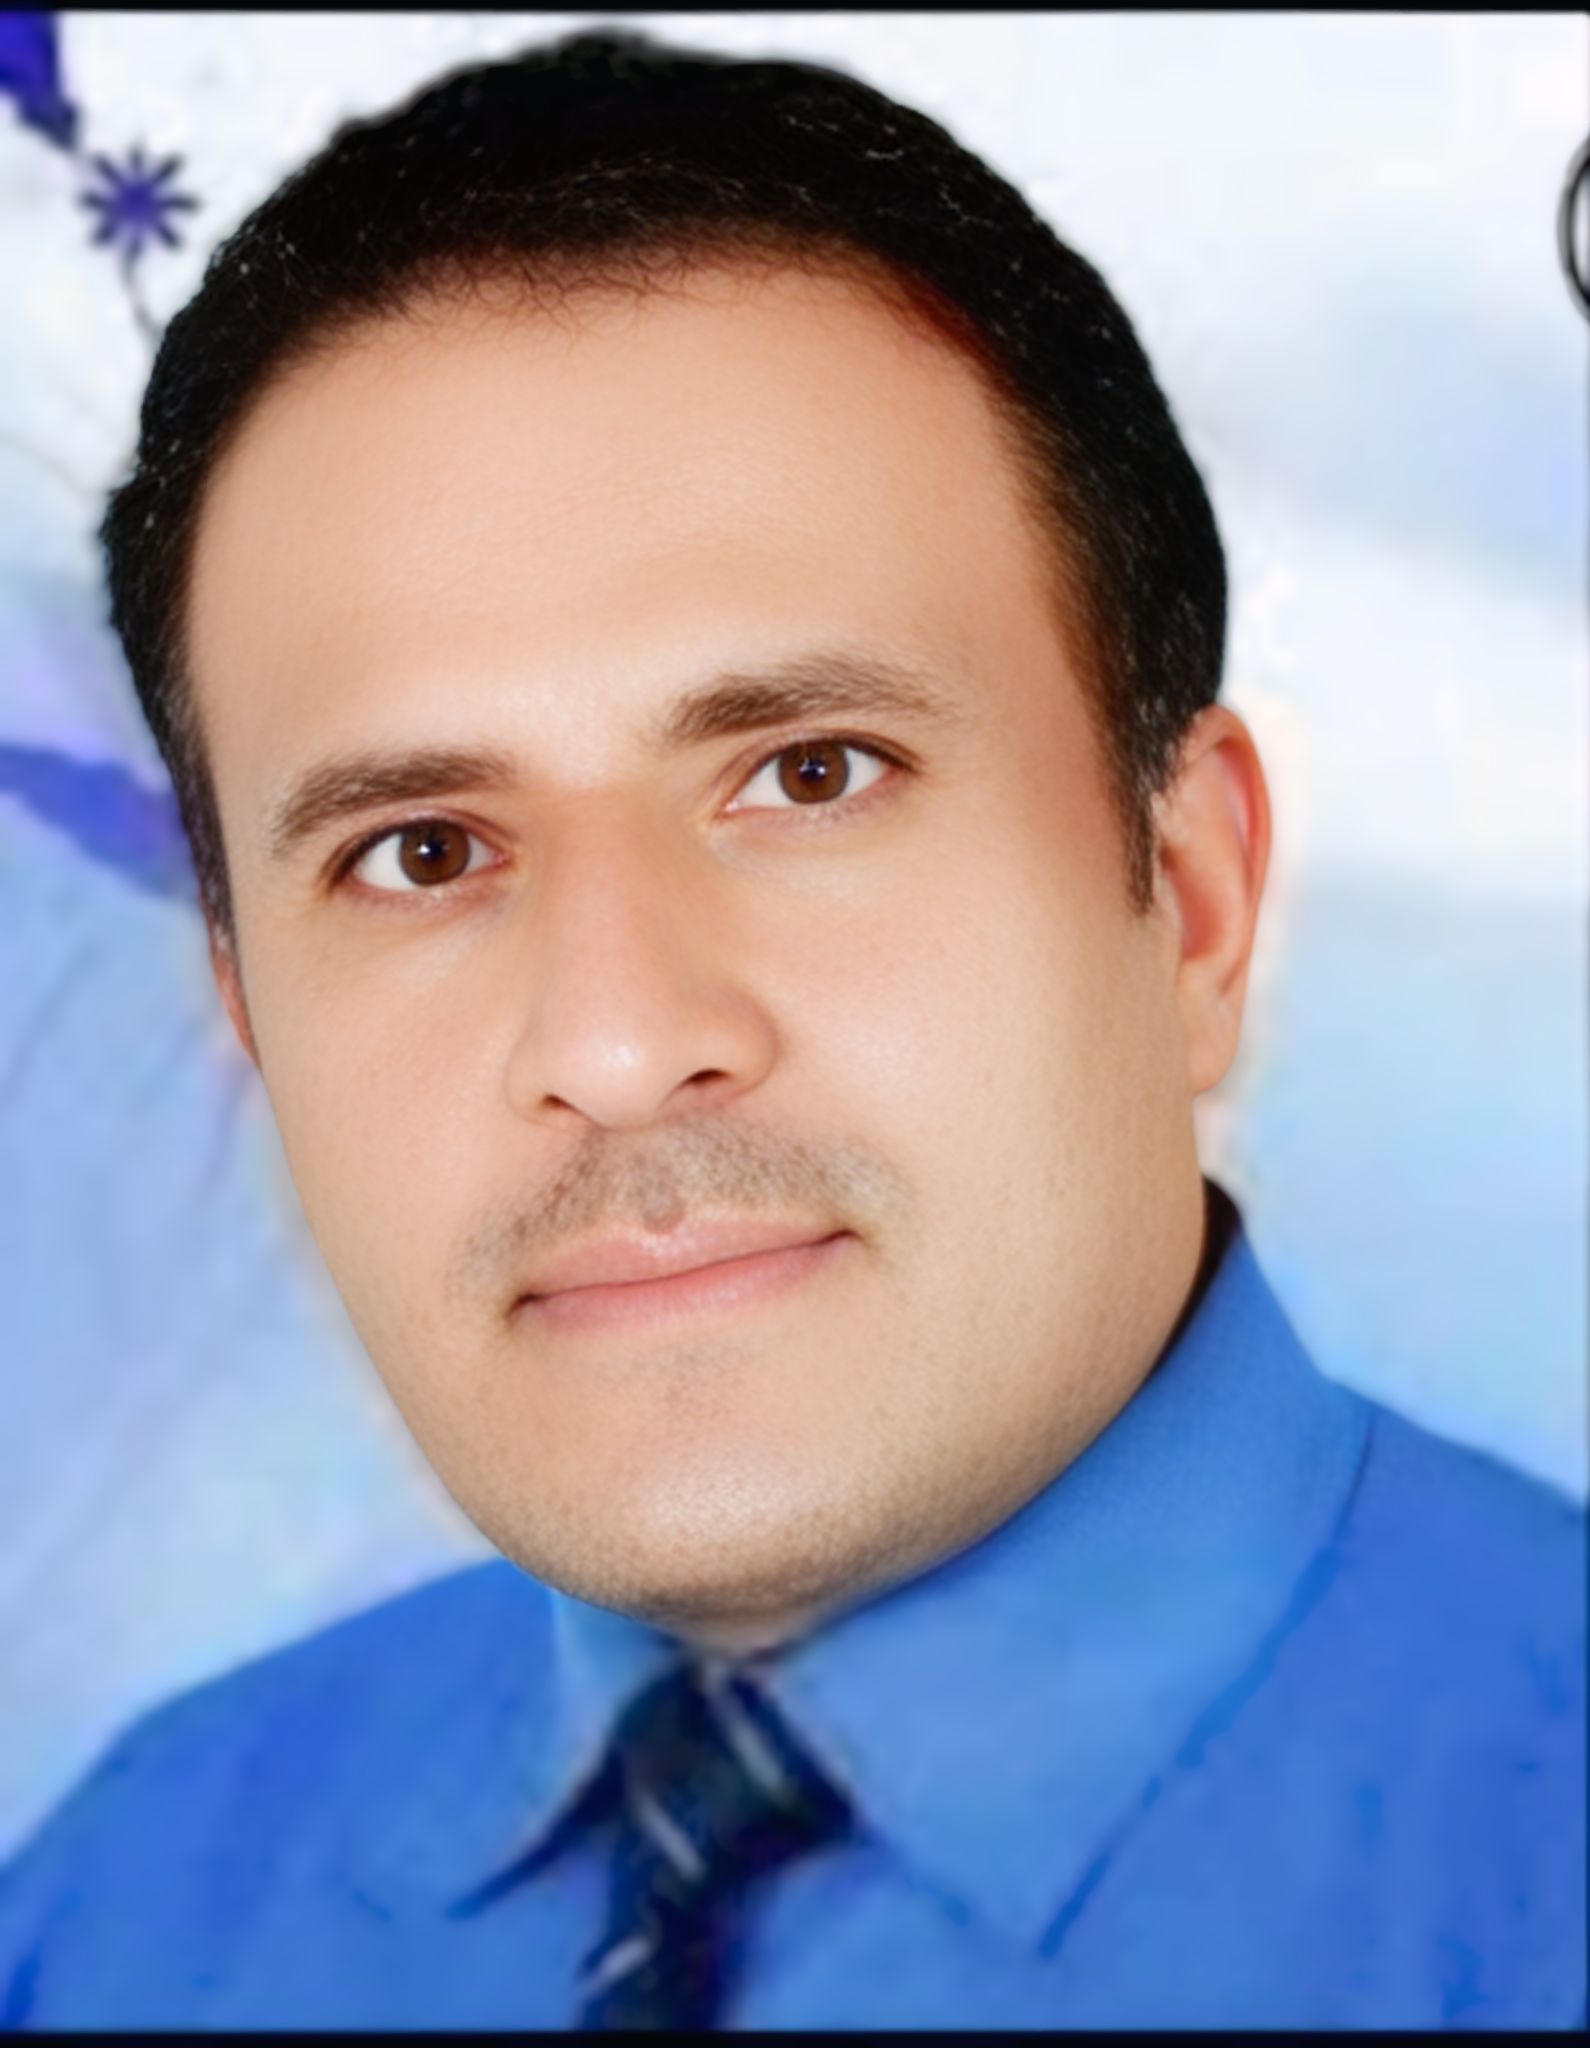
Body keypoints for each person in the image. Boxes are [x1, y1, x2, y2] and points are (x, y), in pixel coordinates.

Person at [0, 26, 1582, 2032]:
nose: (615, 1038)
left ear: (1188, 898)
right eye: (420, 851)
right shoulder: (127, 1911)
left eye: (811, 774)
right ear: (250, 1022)